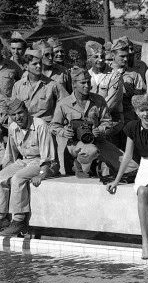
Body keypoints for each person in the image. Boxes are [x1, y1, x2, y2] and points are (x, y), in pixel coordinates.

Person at [106, 94, 148, 259]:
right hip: (145, 165)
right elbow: (127, 155)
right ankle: (146, 241)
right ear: (136, 112)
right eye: (142, 111)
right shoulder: (132, 127)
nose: (146, 114)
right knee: (142, 191)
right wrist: (117, 180)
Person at [50, 66, 123, 180]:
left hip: (97, 140)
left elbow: (107, 122)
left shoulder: (99, 100)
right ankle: (78, 164)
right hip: (75, 144)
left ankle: (92, 165)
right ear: (74, 84)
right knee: (91, 151)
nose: (87, 86)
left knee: (129, 166)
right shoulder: (64, 104)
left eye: (88, 82)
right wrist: (64, 132)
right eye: (83, 83)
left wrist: (99, 130)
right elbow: (53, 125)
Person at [0, 98, 56, 237]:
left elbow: (47, 157)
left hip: (42, 162)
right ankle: (2, 218)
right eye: (13, 115)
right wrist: (6, 171)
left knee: (18, 178)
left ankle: (19, 220)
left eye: (20, 113)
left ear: (26, 111)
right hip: (24, 161)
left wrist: (42, 174)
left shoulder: (40, 125)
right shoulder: (13, 127)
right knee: (1, 177)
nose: (17, 117)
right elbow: (10, 155)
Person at [11, 48, 61, 123]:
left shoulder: (52, 85)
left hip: (46, 127)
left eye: (40, 63)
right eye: (34, 64)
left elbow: (64, 105)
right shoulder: (18, 86)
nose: (39, 66)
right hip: (25, 127)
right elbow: (13, 109)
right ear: (26, 67)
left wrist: (55, 124)